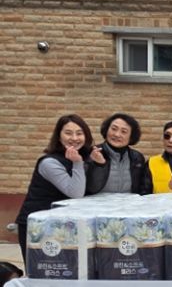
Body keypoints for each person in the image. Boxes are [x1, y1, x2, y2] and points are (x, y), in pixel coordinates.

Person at [16, 114, 93, 263]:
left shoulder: (84, 157)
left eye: (79, 133)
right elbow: (75, 193)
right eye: (68, 133)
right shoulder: (49, 163)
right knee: (41, 271)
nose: (74, 138)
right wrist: (78, 163)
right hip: (37, 225)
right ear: (59, 136)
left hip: (62, 224)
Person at [86, 112, 145, 195]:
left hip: (129, 202)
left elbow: (141, 188)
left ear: (131, 137)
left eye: (124, 131)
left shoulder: (137, 157)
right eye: (114, 129)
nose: (117, 134)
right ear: (106, 130)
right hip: (97, 202)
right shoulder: (93, 153)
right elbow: (91, 188)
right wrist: (99, 165)